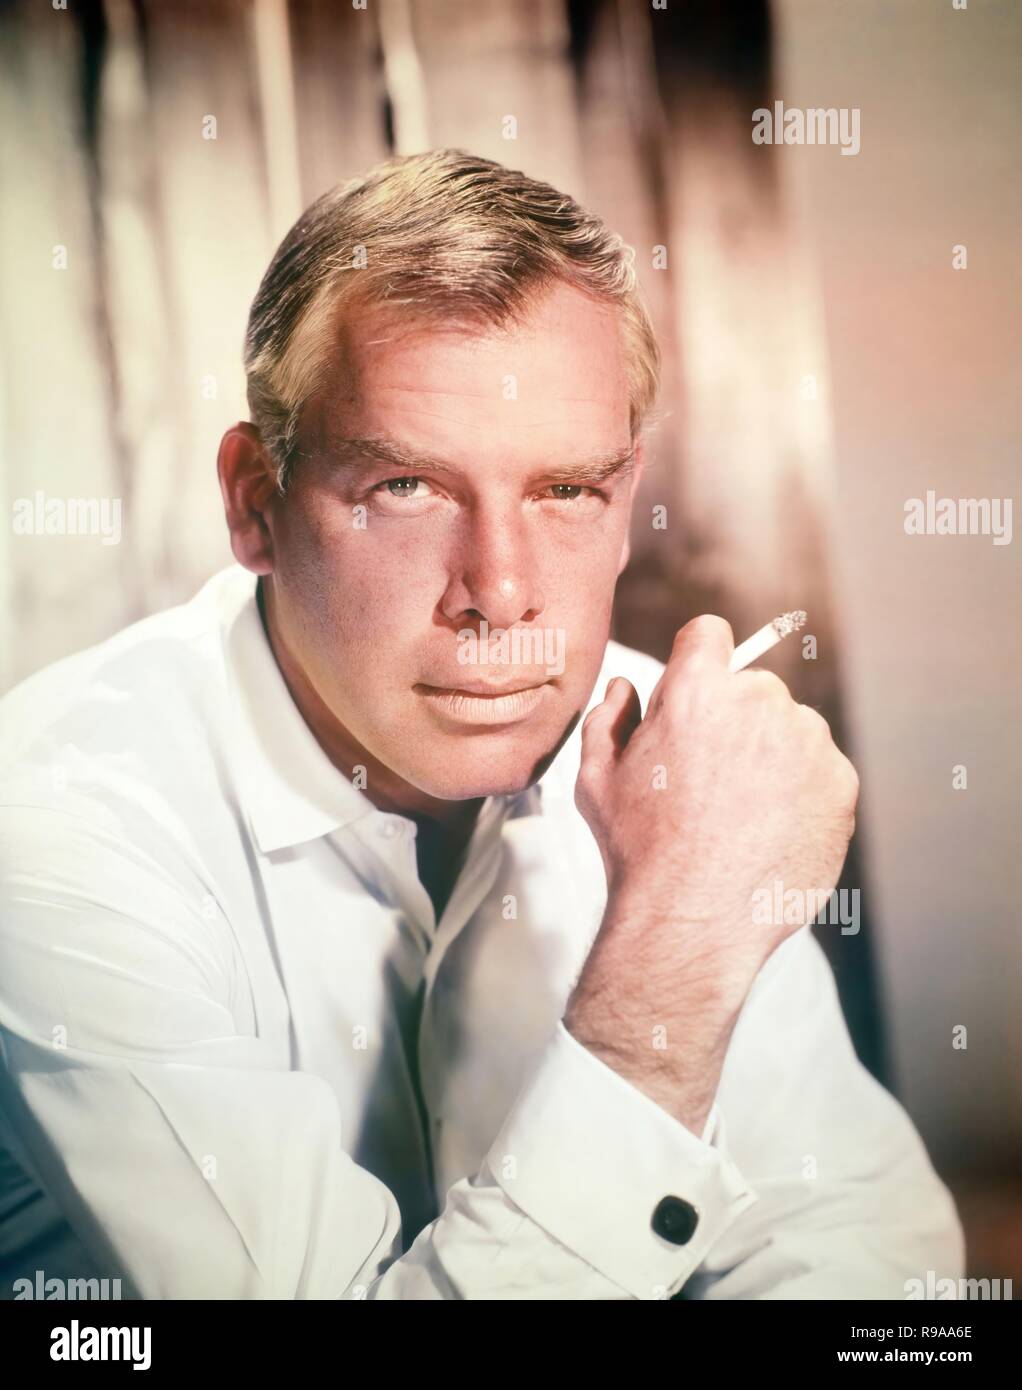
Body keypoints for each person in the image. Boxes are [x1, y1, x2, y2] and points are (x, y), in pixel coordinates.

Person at [0, 149, 963, 1300]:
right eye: (404, 488)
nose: (499, 595)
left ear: (623, 503)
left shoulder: (677, 755)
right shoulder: (58, 822)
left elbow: (857, 1251)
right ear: (255, 503)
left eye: (564, 491)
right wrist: (669, 963)